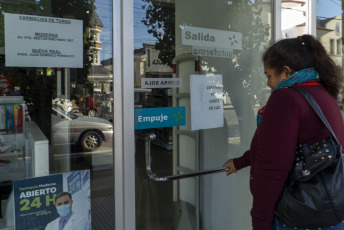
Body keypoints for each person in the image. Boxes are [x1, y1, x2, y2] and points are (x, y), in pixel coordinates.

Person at [223, 34, 344, 230]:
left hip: (296, 218)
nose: (268, 83)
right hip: (329, 212)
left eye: (269, 75)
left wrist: (260, 220)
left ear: (286, 72)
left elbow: (272, 167)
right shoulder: (325, 94)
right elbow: (291, 148)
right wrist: (240, 162)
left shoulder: (286, 99)